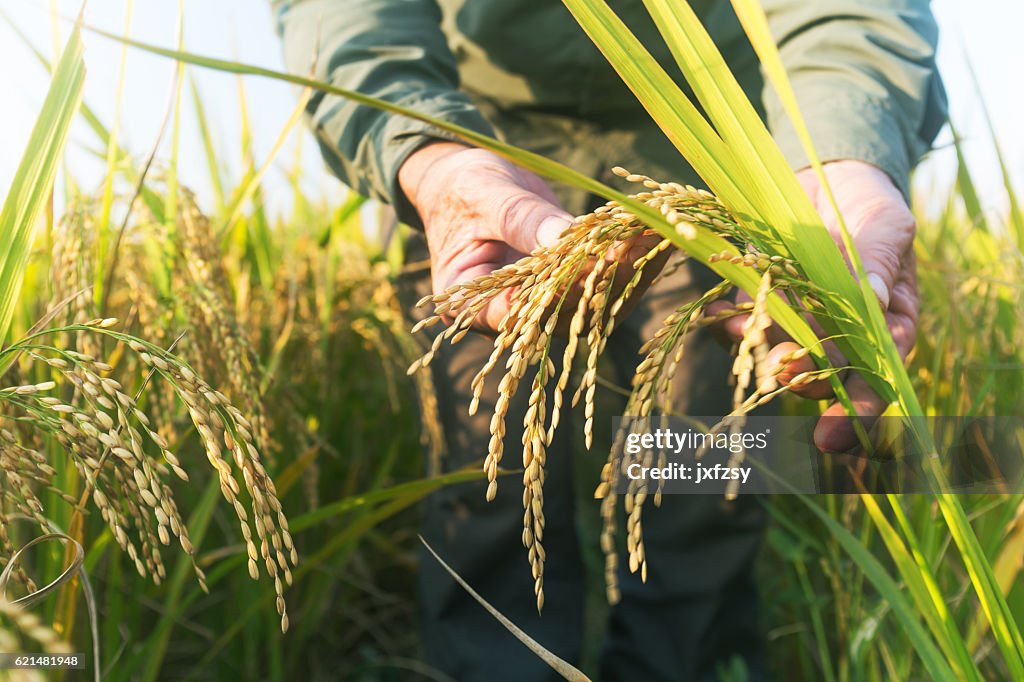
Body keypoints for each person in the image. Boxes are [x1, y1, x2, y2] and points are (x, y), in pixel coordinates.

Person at [272, 1, 946, 679]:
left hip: (709, 153)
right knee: (486, 481)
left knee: (695, 479)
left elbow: (845, 11)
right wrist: (423, 145)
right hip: (474, 142)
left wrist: (844, 159)